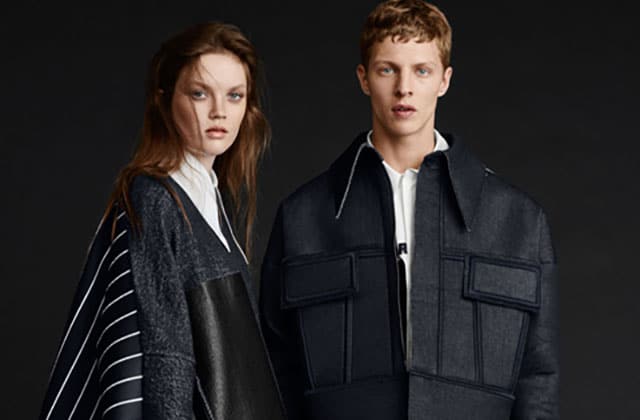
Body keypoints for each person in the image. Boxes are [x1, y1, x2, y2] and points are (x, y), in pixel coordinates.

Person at [259, 1, 559, 419]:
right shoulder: (302, 217)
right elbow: (274, 374)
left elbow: (537, 378)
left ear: (444, 80)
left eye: (422, 70)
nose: (404, 88)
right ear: (364, 78)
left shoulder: (519, 220)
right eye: (388, 70)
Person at [40, 22, 285, 419]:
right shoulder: (155, 199)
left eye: (235, 95)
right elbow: (165, 357)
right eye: (200, 93)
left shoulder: (209, 198)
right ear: (164, 98)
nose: (219, 111)